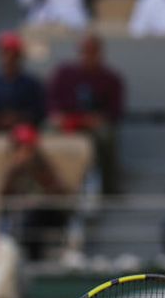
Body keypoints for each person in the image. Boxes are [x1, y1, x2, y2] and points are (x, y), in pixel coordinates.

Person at [47, 33, 125, 192]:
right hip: (67, 121)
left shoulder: (112, 78)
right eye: (85, 51)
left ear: (100, 53)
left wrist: (99, 118)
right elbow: (51, 101)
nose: (88, 55)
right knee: (48, 130)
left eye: (93, 51)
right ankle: (52, 186)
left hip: (94, 124)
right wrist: (57, 116)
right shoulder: (64, 73)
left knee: (106, 135)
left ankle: (109, 188)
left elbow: (115, 112)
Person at [0, 123, 69, 261]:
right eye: (18, 147)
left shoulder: (44, 166)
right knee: (17, 221)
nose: (21, 151)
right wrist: (15, 169)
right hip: (22, 215)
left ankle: (33, 260)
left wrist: (34, 169)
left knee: (31, 217)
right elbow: (3, 196)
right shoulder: (14, 170)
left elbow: (60, 192)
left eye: (25, 147)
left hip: (48, 214)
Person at [0, 31, 47, 131]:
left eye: (12, 53)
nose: (8, 58)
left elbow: (40, 114)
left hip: (25, 132)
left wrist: (18, 118)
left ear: (18, 56)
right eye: (4, 52)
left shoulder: (31, 83)